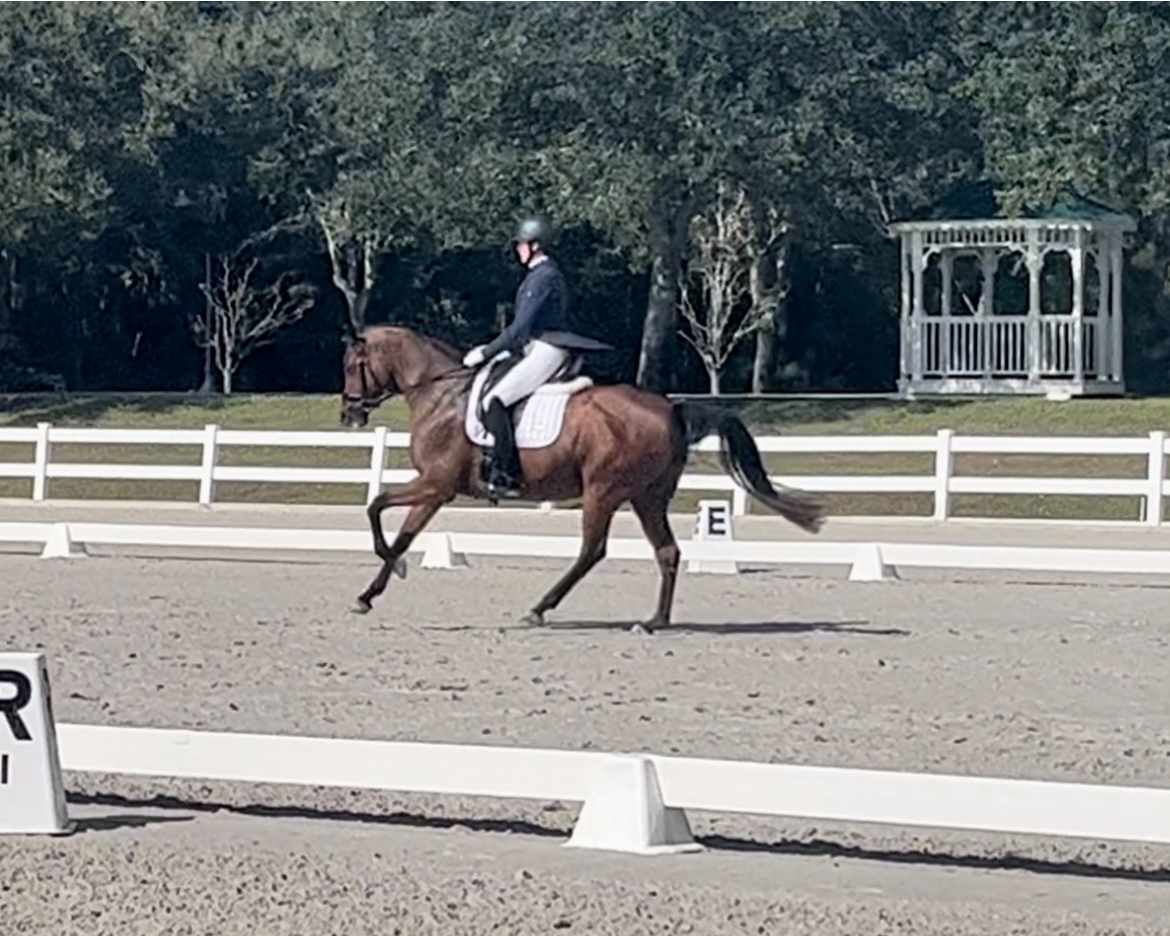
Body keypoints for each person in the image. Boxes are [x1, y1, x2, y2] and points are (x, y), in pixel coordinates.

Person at [463, 217, 610, 500]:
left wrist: (486, 351)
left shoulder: (544, 277)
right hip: (533, 346)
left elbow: (520, 327)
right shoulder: (538, 275)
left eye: (521, 244)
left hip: (547, 348)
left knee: (494, 401)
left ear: (535, 246)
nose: (517, 249)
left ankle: (506, 473)